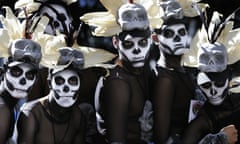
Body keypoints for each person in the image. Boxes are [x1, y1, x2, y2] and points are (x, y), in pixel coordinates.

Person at [16, 47, 87, 144]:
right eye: (59, 81)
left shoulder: (78, 117)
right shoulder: (32, 113)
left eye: (72, 81)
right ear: (50, 83)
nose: (66, 89)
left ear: (80, 84)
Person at [0, 38, 42, 144]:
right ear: (3, 71)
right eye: (16, 72)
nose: (23, 81)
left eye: (29, 75)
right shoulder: (2, 110)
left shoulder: (9, 106)